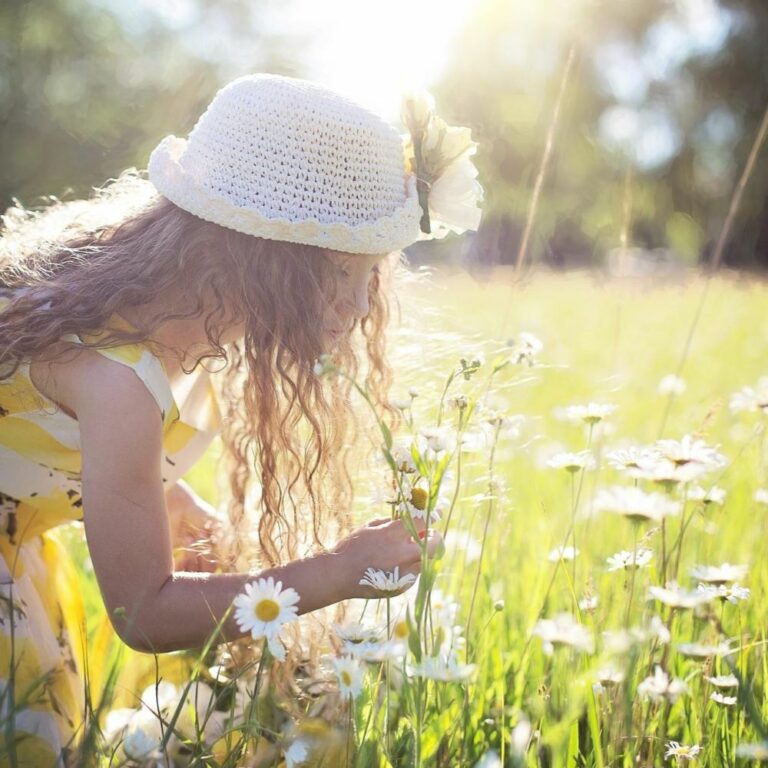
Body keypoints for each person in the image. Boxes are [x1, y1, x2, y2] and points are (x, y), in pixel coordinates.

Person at [0, 72, 482, 765]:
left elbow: (29, 434)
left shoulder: (152, 314)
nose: (358, 307)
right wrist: (338, 571)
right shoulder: (118, 381)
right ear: (257, 256)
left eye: (367, 277)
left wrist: (165, 499)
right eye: (338, 272)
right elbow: (143, 612)